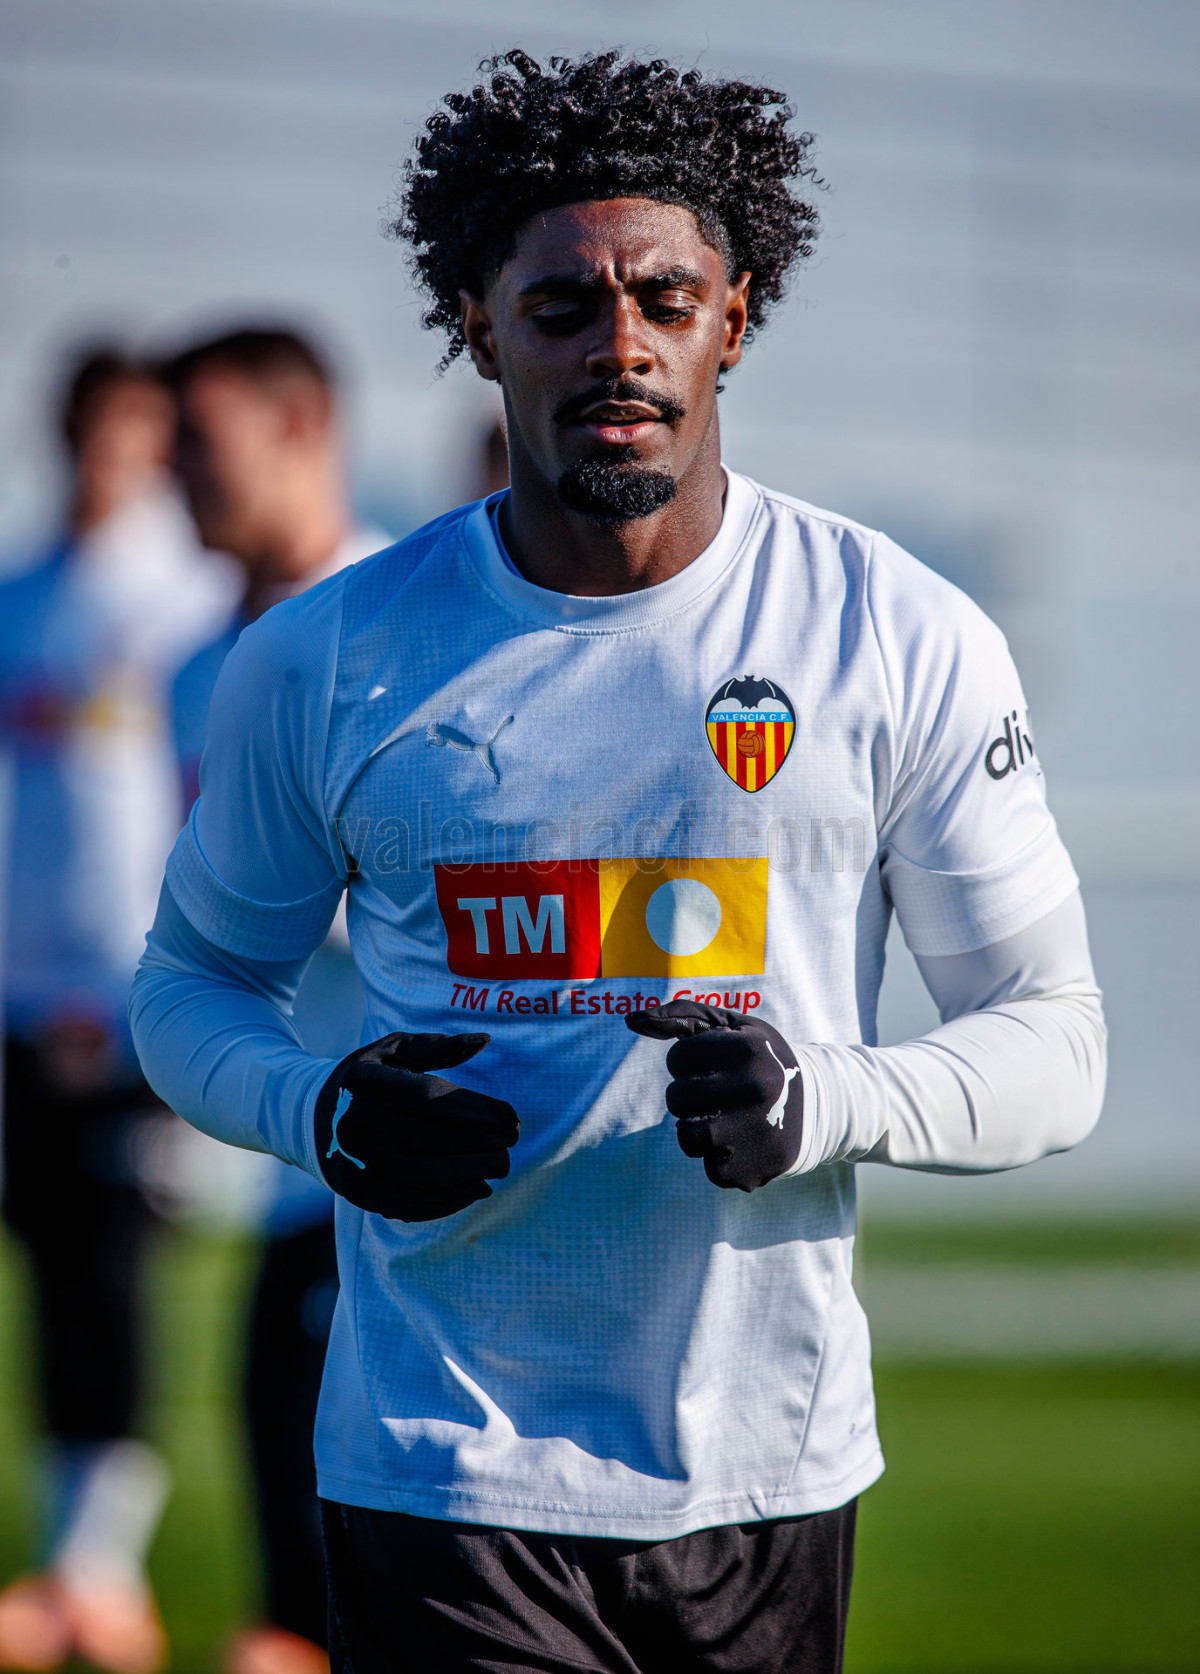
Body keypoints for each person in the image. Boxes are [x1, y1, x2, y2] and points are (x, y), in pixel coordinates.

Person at [129, 51, 1107, 1674]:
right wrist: (319, 1110)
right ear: (477, 324)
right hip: (442, 1464)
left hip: (768, 1470)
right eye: (563, 304)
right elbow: (191, 986)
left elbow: (1057, 1039)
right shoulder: (326, 657)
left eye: (666, 297)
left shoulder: (897, 633)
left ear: (738, 316)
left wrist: (825, 1098)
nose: (622, 342)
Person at [0, 348, 236, 1673]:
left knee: (112, 1268)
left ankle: (102, 1570)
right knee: (49, 1267)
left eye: (135, 432)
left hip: (128, 993)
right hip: (20, 997)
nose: (109, 456)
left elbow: (183, 816)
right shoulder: (19, 596)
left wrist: (129, 981)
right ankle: (68, 1571)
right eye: (90, 429)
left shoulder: (183, 603)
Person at [162, 328, 386, 1674]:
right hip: (297, 1172)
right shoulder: (199, 664)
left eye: (201, 441)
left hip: (418, 1179)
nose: (176, 473)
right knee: (294, 1603)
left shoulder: (411, 627)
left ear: (300, 427)